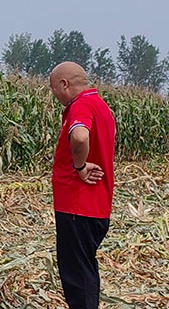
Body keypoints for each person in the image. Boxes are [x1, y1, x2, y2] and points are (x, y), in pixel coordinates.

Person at [48, 61, 115, 309]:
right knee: (85, 268)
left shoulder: (82, 106)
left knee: (77, 276)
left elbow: (79, 136)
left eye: (54, 88)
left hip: (78, 206)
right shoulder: (101, 106)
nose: (54, 94)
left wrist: (80, 166)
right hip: (94, 205)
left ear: (64, 84)